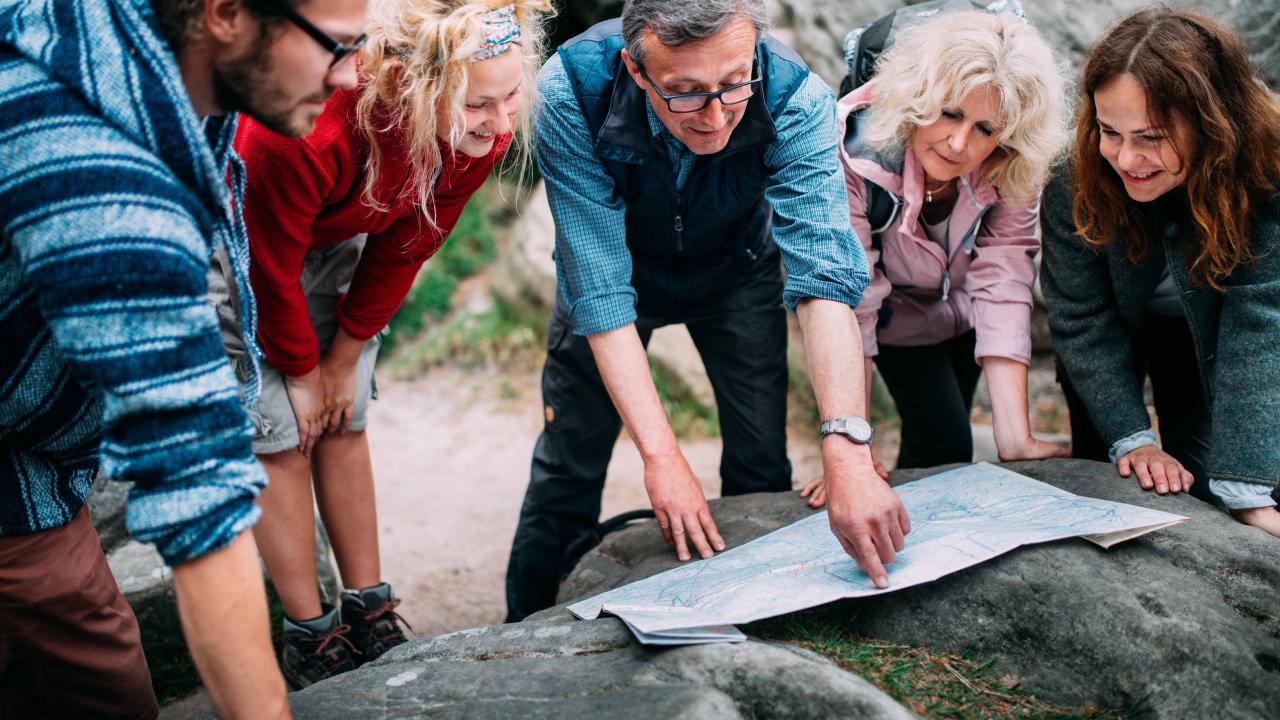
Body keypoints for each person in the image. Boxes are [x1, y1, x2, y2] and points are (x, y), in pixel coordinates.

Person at [0, 0, 367, 716]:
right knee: (100, 684)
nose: (352, 78)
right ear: (225, 14)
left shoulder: (129, 45)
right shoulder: (102, 184)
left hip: (32, 446)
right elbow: (196, 494)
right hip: (17, 472)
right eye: (339, 47)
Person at [505, 0, 910, 622]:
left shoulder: (793, 93)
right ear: (637, 72)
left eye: (733, 83)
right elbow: (603, 290)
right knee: (569, 462)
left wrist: (848, 445)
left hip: (735, 267)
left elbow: (824, 274)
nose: (716, 116)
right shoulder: (570, 88)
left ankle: (767, 617)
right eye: (686, 93)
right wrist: (662, 456)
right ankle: (525, 627)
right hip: (612, 271)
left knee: (760, 460)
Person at [224, 0, 550, 687]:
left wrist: (346, 353)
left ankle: (369, 606)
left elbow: (409, 243)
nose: (500, 126)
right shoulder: (305, 130)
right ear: (412, 85)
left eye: (512, 95)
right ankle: (310, 634)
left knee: (345, 419)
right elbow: (268, 265)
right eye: (478, 105)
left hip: (337, 232)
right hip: (239, 245)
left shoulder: (478, 135)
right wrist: (301, 370)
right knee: (281, 433)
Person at [800, 10, 1070, 507]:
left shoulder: (1015, 160)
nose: (959, 143)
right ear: (918, 96)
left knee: (941, 442)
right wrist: (850, 448)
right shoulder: (852, 149)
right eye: (949, 112)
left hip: (965, 312)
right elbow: (851, 294)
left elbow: (1005, 271)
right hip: (894, 317)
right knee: (946, 438)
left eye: (985, 127)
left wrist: (1015, 437)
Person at [1040, 7, 1280, 536]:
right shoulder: (1071, 179)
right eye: (1110, 131)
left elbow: (1259, 317)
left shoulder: (1264, 167)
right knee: (1114, 476)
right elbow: (1082, 319)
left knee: (1214, 482)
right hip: (1108, 335)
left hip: (1214, 328)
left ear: (1212, 122)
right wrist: (1134, 438)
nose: (1127, 159)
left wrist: (1247, 487)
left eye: (1151, 136)